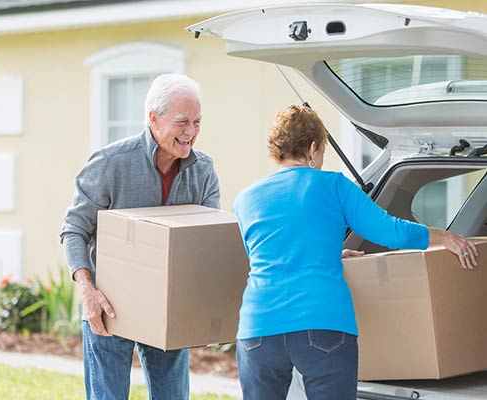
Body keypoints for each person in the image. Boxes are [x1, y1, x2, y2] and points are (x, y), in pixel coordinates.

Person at [232, 105, 478, 400]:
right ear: (313, 147)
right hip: (321, 324)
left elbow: (272, 255)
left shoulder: (245, 199)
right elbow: (389, 231)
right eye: (322, 150)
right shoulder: (333, 184)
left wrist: (328, 254)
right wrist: (444, 237)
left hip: (258, 329)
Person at [60, 74, 220, 400]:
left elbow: (208, 244)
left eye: (197, 122)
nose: (191, 131)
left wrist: (202, 314)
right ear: (153, 118)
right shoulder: (110, 164)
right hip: (109, 307)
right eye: (182, 122)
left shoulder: (203, 171)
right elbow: (74, 229)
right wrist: (88, 291)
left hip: (168, 311)